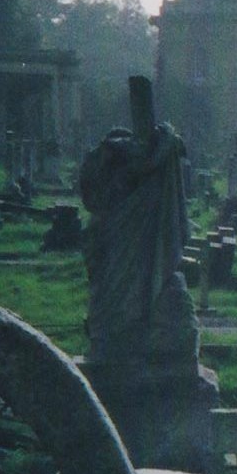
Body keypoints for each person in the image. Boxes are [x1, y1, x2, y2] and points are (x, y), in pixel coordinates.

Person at [79, 77, 194, 363]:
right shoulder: (117, 154)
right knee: (112, 286)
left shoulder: (153, 153)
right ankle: (113, 333)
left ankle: (121, 332)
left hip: (137, 233)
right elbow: (94, 193)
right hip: (116, 233)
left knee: (128, 284)